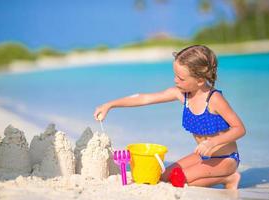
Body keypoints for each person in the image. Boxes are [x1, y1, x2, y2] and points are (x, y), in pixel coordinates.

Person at [94, 45, 245, 189]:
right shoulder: (182, 94)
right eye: (175, 75)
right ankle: (224, 178)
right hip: (202, 156)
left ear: (199, 80)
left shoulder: (214, 99)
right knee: (161, 176)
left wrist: (212, 143)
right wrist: (110, 104)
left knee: (176, 180)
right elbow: (144, 98)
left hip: (226, 158)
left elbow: (239, 129)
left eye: (181, 78)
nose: (175, 80)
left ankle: (229, 177)